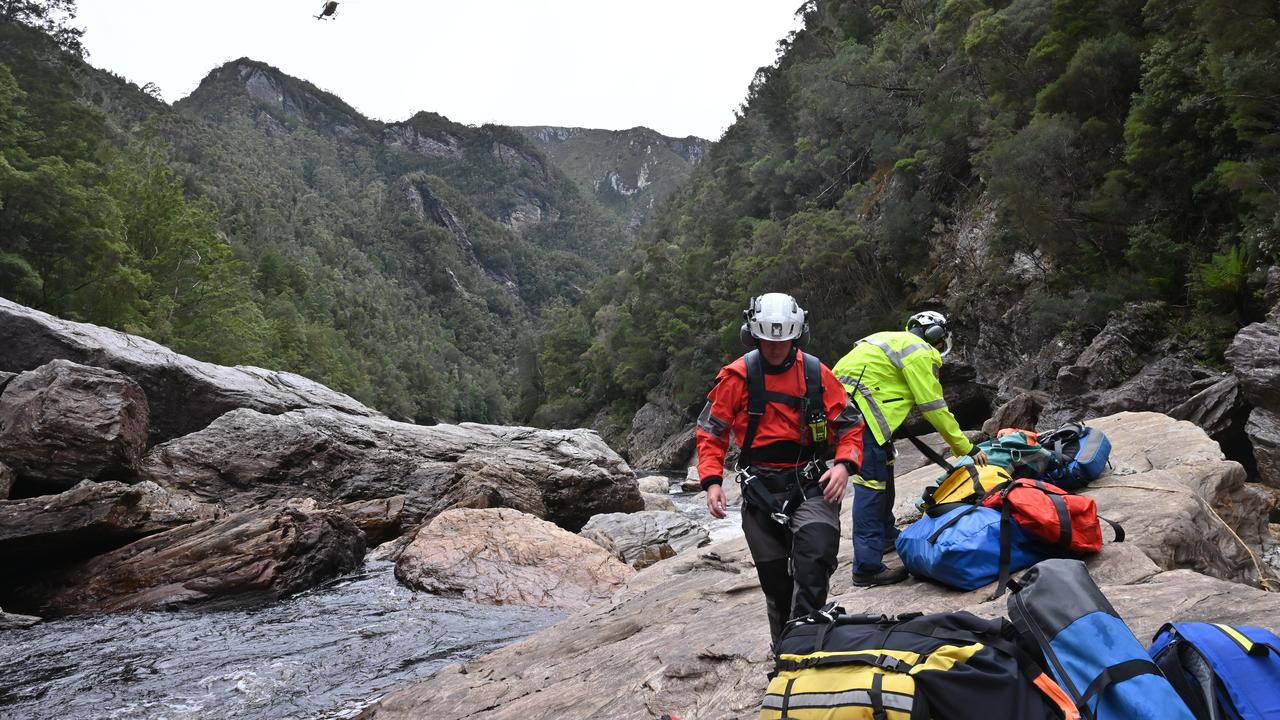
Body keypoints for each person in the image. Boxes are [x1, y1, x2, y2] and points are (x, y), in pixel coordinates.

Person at [697, 293, 865, 647]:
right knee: (777, 585)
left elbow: (850, 425)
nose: (775, 348)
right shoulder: (736, 377)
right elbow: (712, 431)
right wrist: (712, 481)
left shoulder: (817, 374)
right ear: (753, 334)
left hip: (810, 481)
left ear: (796, 335)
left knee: (815, 556)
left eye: (783, 340)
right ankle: (784, 651)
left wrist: (845, 465)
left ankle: (806, 647)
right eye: (768, 340)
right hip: (760, 489)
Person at [831, 310, 989, 587]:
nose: (939, 349)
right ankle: (867, 567)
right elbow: (933, 406)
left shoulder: (886, 339)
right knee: (871, 487)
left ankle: (886, 536)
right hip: (861, 418)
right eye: (940, 342)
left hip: (846, 412)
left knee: (883, 475)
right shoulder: (919, 351)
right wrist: (966, 447)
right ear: (936, 336)